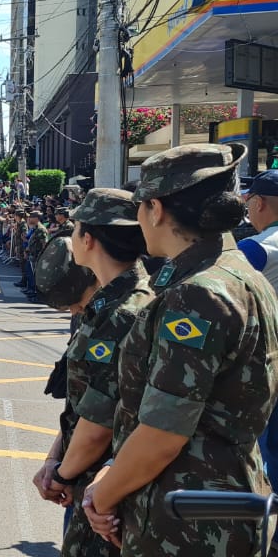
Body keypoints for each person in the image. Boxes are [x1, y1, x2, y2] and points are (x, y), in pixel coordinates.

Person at [83, 144, 278, 554]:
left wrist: (99, 498)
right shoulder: (239, 274)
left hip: (188, 517)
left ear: (155, 209)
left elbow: (162, 434)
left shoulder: (196, 295)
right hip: (219, 501)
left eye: (140, 206)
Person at [30, 189, 152, 557]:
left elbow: (101, 425)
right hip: (89, 478)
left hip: (109, 489)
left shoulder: (126, 312)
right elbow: (82, 403)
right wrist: (56, 460)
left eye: (76, 226)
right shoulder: (106, 306)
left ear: (88, 239)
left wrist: (61, 474)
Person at [239, 170, 278, 489]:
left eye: (249, 201)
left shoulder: (256, 247)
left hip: (268, 362)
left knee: (268, 448)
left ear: (260, 203)